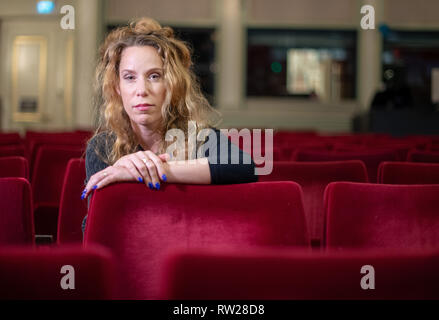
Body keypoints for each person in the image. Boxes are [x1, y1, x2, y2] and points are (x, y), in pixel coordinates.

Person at [81, 18, 257, 223]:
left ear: (172, 84)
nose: (142, 90)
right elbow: (95, 227)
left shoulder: (200, 137)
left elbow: (245, 167)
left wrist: (159, 170)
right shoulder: (101, 147)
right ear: (117, 87)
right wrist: (121, 168)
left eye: (155, 76)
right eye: (129, 77)